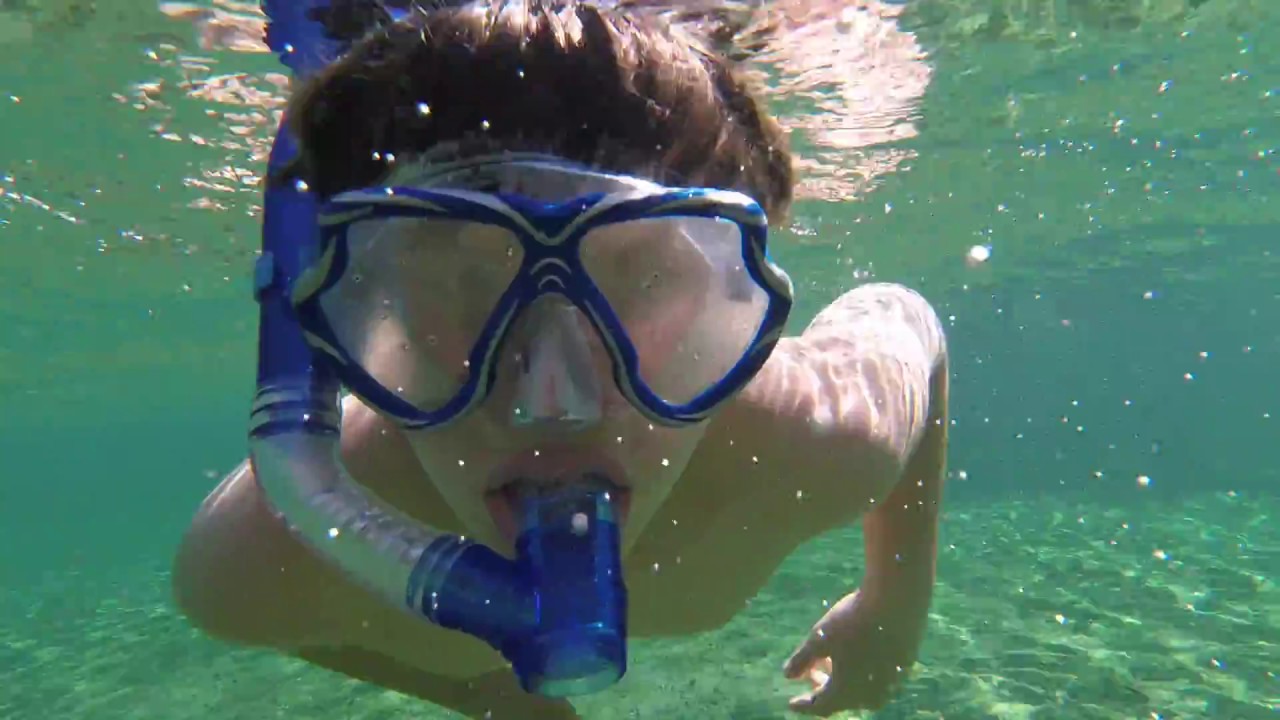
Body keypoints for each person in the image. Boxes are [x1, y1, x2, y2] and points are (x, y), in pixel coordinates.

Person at [171, 2, 950, 718]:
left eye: (641, 279)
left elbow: (910, 322)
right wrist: (475, 692)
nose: (553, 402)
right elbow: (295, 624)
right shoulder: (265, 559)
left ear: (734, 313)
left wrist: (894, 607)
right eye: (464, 285)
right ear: (361, 316)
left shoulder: (821, 436)